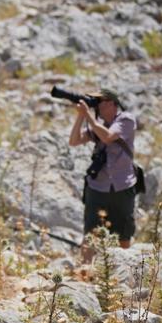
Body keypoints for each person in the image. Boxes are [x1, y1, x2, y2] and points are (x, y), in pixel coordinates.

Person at [69, 88, 138, 260]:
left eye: (100, 101)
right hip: (98, 187)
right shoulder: (97, 125)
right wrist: (81, 116)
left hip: (122, 187)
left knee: (123, 232)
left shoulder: (126, 120)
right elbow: (74, 141)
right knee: (90, 232)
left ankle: (125, 268)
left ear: (112, 104)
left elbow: (108, 137)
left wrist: (89, 117)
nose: (97, 105)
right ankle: (84, 271)